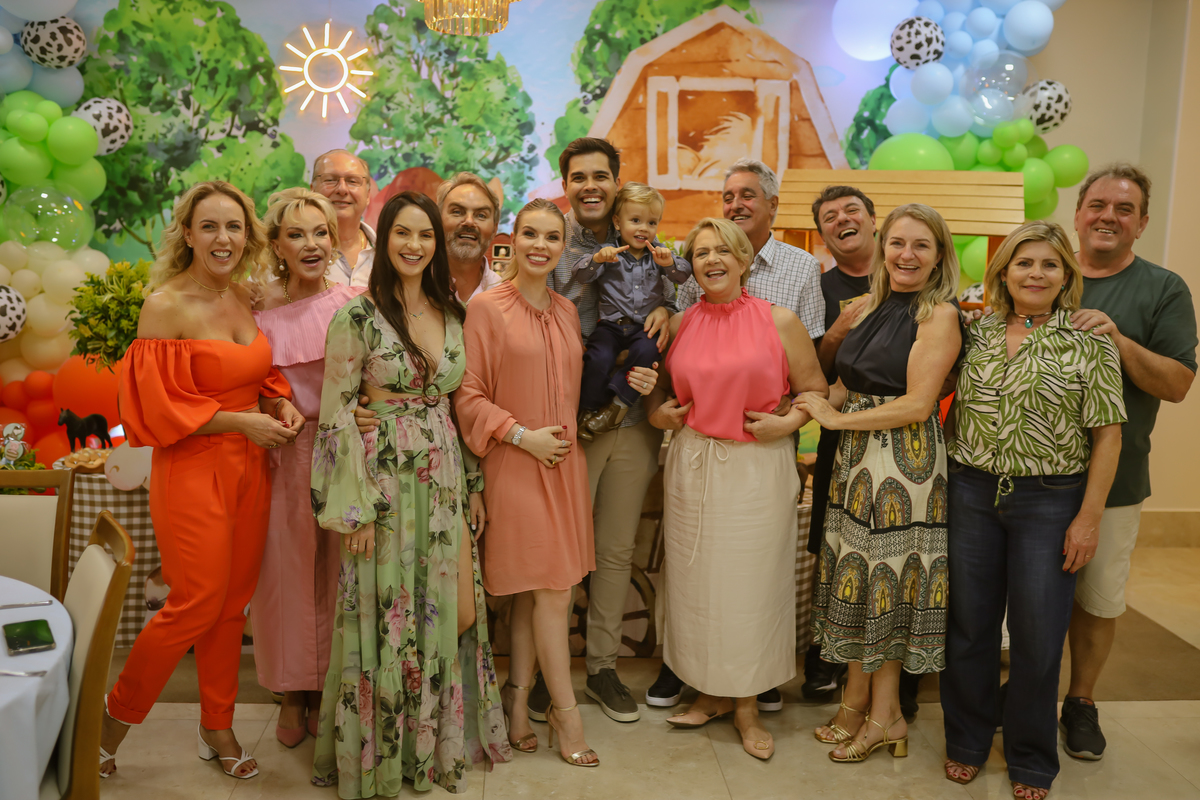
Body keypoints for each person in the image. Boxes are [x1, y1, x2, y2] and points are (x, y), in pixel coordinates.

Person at [100, 181, 303, 780]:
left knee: (231, 606)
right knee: (193, 603)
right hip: (192, 469)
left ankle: (218, 725)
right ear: (187, 233)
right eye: (209, 226)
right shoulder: (166, 305)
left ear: (248, 236)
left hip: (251, 467)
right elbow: (155, 407)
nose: (223, 238)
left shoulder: (242, 295)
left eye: (234, 226)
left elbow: (253, 375)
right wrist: (241, 421)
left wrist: (277, 402)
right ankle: (109, 720)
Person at [309, 191, 510, 796]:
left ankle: (429, 750)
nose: (414, 245)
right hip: (383, 485)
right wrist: (355, 510)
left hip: (444, 484)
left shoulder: (454, 314)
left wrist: (473, 485)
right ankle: (384, 761)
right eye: (402, 233)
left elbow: (456, 406)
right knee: (387, 618)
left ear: (437, 244)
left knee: (452, 612)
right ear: (385, 240)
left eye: (425, 235)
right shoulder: (358, 317)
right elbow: (335, 416)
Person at [456, 198, 660, 767]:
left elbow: (580, 384)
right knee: (552, 593)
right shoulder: (486, 309)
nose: (540, 246)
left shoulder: (569, 311)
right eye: (530, 234)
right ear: (512, 240)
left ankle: (518, 704)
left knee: (539, 591)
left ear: (563, 246)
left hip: (564, 465)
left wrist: (636, 378)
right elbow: (467, 396)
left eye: (551, 237)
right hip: (515, 462)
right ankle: (566, 716)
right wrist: (523, 437)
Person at [941, 221, 1125, 800]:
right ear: (1004, 273)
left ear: (1066, 275)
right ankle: (967, 740)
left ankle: (1030, 756)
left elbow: (1108, 435)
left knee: (1038, 635)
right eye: (1023, 263)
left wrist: (1088, 517)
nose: (1035, 274)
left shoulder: (1090, 338)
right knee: (970, 627)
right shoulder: (976, 331)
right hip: (972, 492)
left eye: (1049, 264)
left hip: (1050, 499)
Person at [647, 217, 828, 761]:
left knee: (750, 589)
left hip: (757, 467)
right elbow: (658, 393)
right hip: (692, 464)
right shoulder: (679, 322)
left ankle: (746, 705)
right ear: (692, 266)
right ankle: (709, 693)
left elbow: (815, 390)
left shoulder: (780, 320)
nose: (712, 260)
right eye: (701, 252)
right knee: (696, 588)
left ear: (745, 259)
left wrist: (787, 423)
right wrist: (658, 415)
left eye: (723, 250)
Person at [801, 203, 962, 763]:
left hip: (904, 462)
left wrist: (835, 420)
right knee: (857, 580)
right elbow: (847, 384)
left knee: (889, 587)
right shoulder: (870, 304)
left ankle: (886, 715)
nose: (906, 254)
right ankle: (855, 704)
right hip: (856, 460)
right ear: (882, 245)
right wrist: (801, 410)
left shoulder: (939, 314)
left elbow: (917, 404)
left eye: (921, 245)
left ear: (939, 255)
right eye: (898, 242)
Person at [1058, 165, 1197, 760]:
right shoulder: (1045, 272)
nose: (1107, 217)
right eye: (1097, 205)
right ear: (1078, 214)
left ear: (1141, 223)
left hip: (1113, 481)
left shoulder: (1163, 289)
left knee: (1097, 599)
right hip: (1030, 479)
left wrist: (1116, 340)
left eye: (1124, 208)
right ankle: (1028, 690)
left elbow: (1177, 383)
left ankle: (1081, 701)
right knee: (1027, 597)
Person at [546, 137, 672, 724]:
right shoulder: (553, 239)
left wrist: (670, 310)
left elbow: (690, 293)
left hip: (636, 420)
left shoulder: (647, 239)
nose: (590, 186)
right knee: (562, 550)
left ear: (616, 184)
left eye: (601, 176)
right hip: (572, 421)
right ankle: (548, 672)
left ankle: (601, 667)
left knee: (617, 550)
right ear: (565, 185)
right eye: (579, 177)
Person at [248, 188, 361, 748]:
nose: (311, 244)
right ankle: (293, 691)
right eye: (297, 234)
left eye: (320, 232)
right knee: (286, 575)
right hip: (285, 452)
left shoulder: (356, 302)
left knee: (341, 572)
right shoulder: (257, 312)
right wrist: (272, 403)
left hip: (346, 451)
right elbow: (250, 383)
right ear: (277, 245)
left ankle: (330, 689)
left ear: (334, 240)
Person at [802, 185, 876, 701]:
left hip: (902, 435)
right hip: (838, 432)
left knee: (889, 548)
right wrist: (836, 333)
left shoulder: (906, 276)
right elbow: (812, 371)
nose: (842, 220)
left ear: (872, 220)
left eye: (852, 211)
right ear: (823, 235)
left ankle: (890, 668)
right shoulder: (818, 286)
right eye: (830, 217)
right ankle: (823, 656)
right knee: (830, 545)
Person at [573, 181, 691, 438]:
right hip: (610, 326)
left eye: (651, 222)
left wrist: (669, 263)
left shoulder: (659, 254)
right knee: (598, 358)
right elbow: (580, 275)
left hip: (643, 328)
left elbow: (683, 275)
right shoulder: (607, 251)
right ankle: (589, 408)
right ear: (617, 222)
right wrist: (597, 260)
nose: (644, 228)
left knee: (647, 354)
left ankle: (617, 407)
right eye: (635, 220)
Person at [437, 171, 504, 305]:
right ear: (438, 221)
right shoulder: (415, 287)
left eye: (481, 215)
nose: (469, 221)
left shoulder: (504, 298)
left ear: (494, 229)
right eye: (457, 212)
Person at [311, 149, 375, 288]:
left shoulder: (388, 252)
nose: (342, 189)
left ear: (368, 195)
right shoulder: (291, 253)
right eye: (330, 180)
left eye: (352, 181)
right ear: (313, 190)